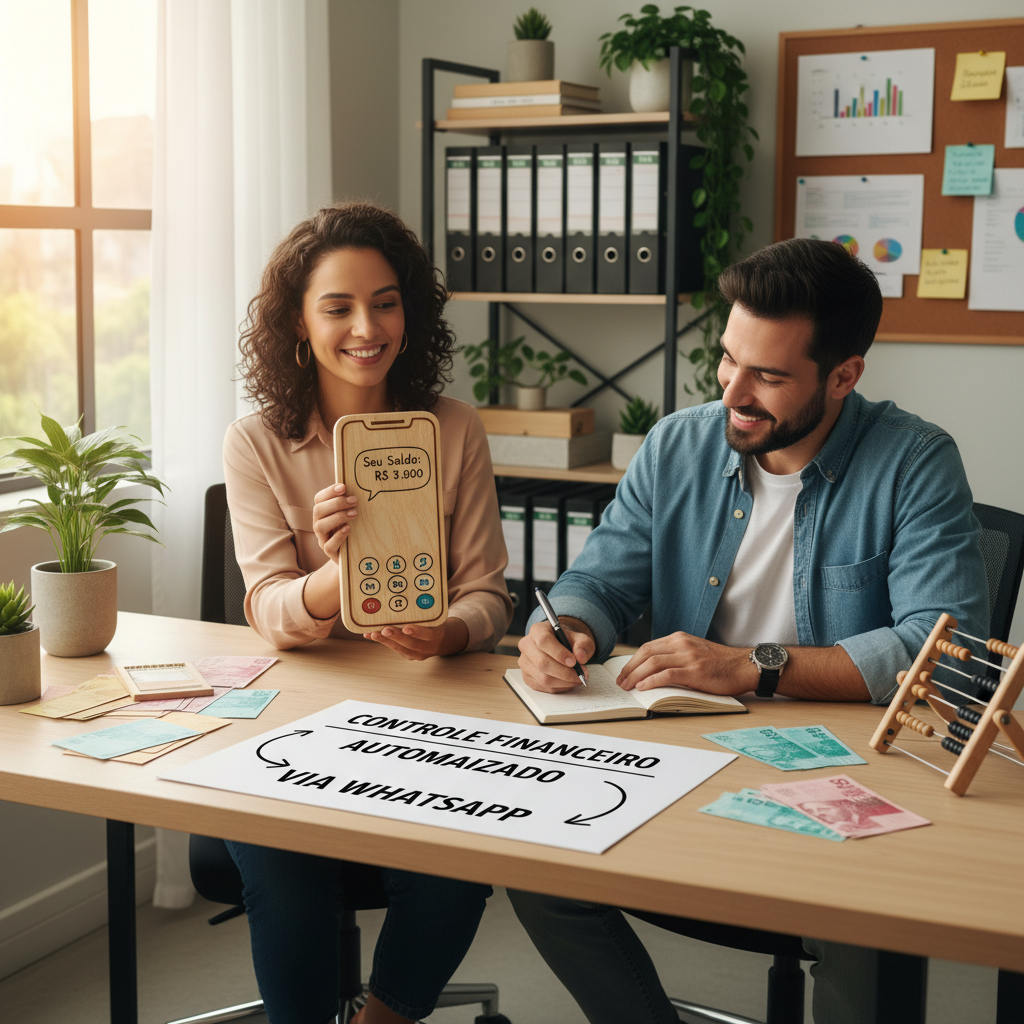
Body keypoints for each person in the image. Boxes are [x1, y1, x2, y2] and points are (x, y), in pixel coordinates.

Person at [510, 237, 988, 1024]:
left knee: (866, 920)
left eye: (768, 375)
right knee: (536, 864)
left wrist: (750, 666)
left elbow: (947, 655)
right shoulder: (677, 445)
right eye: (728, 360)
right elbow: (598, 581)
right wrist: (562, 629)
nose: (734, 390)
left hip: (843, 770)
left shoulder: (916, 462)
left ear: (844, 376)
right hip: (681, 750)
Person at [223, 201, 513, 1024]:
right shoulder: (256, 443)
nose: (366, 326)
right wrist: (336, 576)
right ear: (297, 320)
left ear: (410, 313)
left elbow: (490, 594)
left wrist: (448, 629)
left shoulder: (452, 430)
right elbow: (268, 606)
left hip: (426, 707)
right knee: (281, 863)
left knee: (460, 859)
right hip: (298, 714)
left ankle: (381, 1018)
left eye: (386, 301)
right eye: (338, 306)